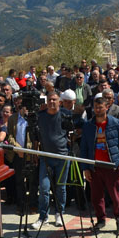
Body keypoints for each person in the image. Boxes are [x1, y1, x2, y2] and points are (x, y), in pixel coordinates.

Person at [80, 94, 119, 230]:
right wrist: (85, 167)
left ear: (107, 108)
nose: (98, 110)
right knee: (96, 196)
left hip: (111, 166)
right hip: (94, 166)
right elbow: (83, 147)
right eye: (96, 107)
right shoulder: (89, 125)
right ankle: (101, 219)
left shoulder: (115, 123)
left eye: (101, 107)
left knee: (116, 196)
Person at [32, 92, 71, 229]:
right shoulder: (41, 116)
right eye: (50, 100)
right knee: (44, 188)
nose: (52, 102)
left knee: (60, 187)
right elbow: (36, 135)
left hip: (62, 157)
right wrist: (35, 151)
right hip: (45, 157)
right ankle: (43, 217)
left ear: (59, 101)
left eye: (55, 99)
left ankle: (59, 214)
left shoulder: (66, 115)